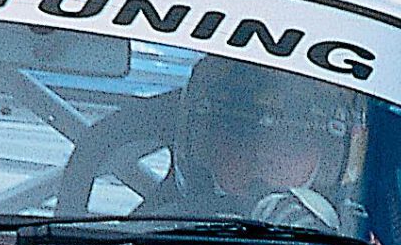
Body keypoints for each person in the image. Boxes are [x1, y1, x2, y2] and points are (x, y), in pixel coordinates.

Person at [153, 54, 366, 233]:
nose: (261, 155)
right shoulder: (152, 235)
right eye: (238, 134)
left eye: (291, 141)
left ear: (329, 159)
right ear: (202, 146)